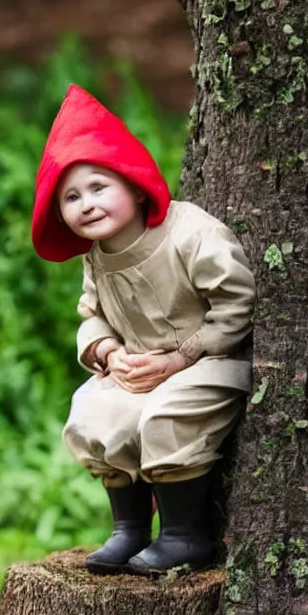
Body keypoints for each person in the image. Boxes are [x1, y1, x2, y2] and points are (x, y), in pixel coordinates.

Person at [32, 84, 256, 577]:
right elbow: (91, 312)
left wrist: (180, 358)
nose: (87, 204)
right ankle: (129, 528)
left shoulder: (189, 233)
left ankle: (182, 534)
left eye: (98, 186)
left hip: (208, 361)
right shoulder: (98, 256)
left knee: (167, 413)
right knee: (93, 410)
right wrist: (109, 352)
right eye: (72, 196)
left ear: (134, 185)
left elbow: (236, 301)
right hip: (138, 367)